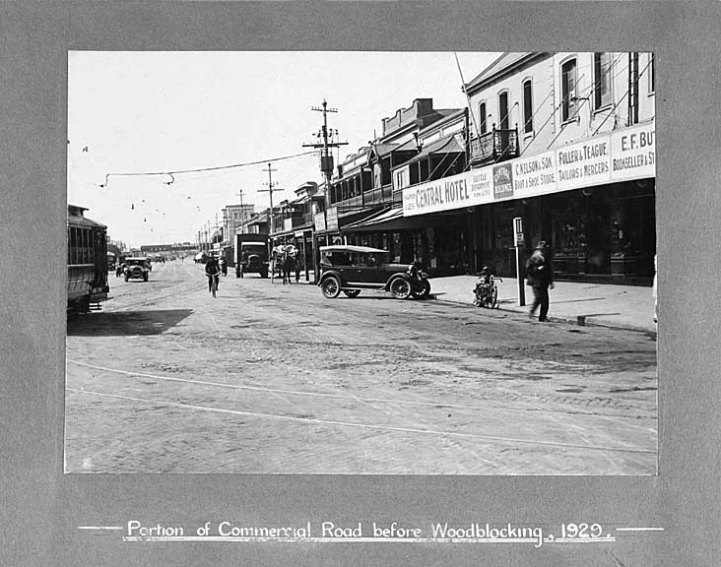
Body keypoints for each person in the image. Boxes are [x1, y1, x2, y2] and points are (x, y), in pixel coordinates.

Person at [525, 241, 554, 322]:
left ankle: (542, 316)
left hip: (544, 282)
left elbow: (549, 271)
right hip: (535, 281)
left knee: (545, 300)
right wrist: (537, 269)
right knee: (539, 298)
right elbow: (528, 269)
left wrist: (551, 282)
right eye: (542, 249)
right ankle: (533, 312)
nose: (543, 251)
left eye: (544, 250)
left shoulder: (546, 258)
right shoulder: (533, 258)